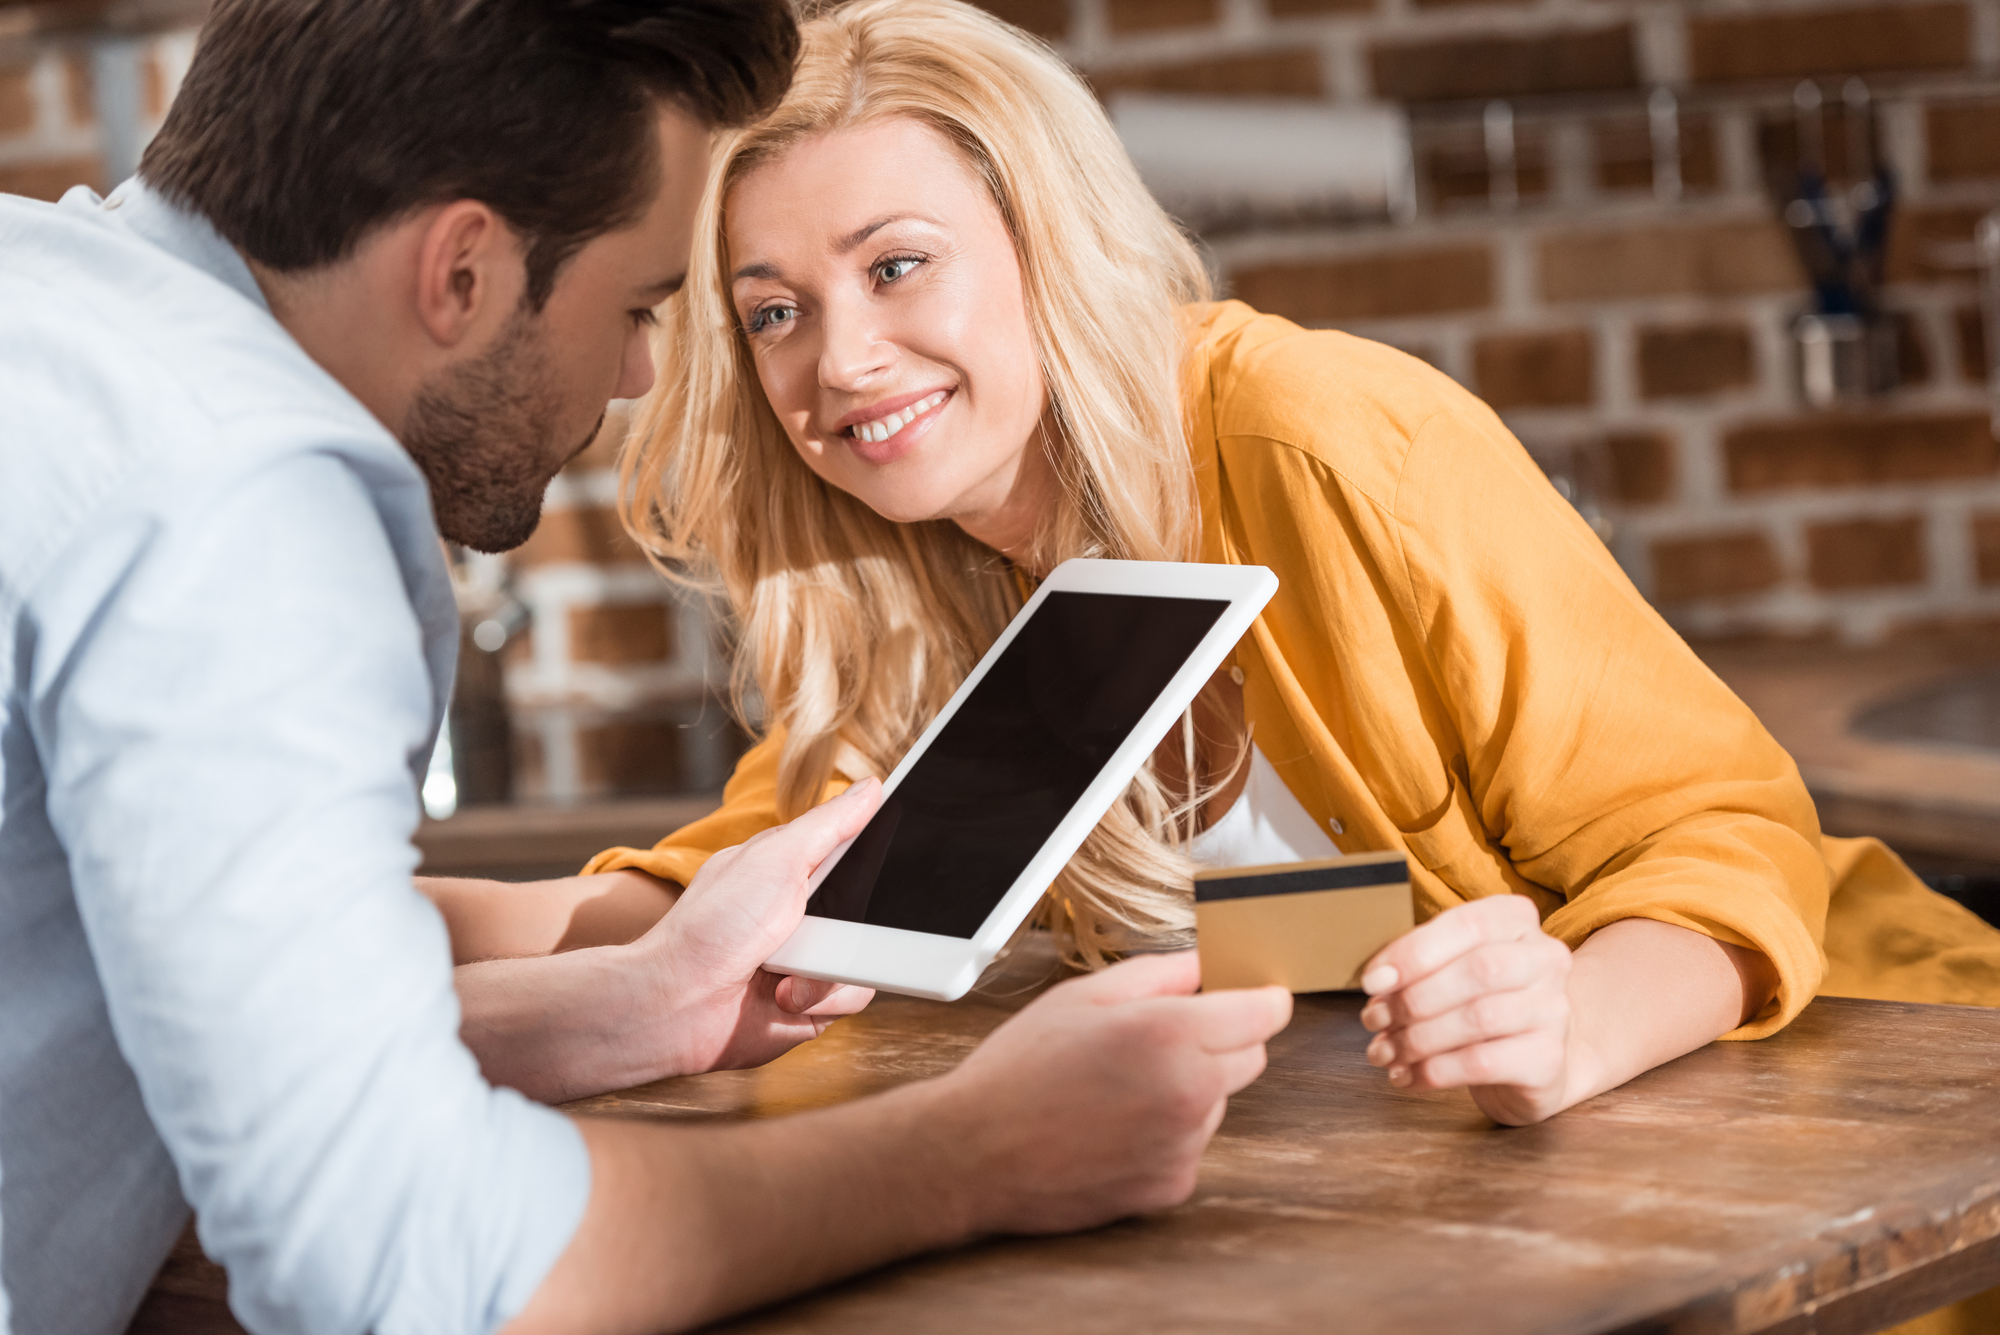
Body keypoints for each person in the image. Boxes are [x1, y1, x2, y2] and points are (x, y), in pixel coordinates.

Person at [424, 0, 2000, 1136]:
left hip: (1881, 1107)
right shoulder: (915, 591)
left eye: (897, 265)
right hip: (1508, 1196)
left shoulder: (1315, 439)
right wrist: (340, 926)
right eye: (773, 309)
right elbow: (731, 896)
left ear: (1048, 246)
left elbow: (1720, 838)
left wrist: (1571, 1022)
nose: (839, 357)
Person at [0, 2, 1294, 1332]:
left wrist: (633, 1004)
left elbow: (215, 1021)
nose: (632, 373)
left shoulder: (48, 303)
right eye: (639, 304)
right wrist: (978, 1149)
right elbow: (407, 1264)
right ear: (463, 272)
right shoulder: (246, 498)